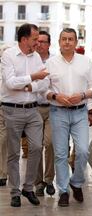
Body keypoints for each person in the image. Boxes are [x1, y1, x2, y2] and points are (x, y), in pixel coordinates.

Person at [45, 28, 92, 207]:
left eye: (70, 39)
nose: (67, 42)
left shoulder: (85, 62)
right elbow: (42, 88)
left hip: (80, 112)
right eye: (64, 39)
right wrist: (54, 96)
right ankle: (63, 191)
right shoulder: (50, 64)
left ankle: (76, 182)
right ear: (59, 42)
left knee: (83, 150)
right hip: (58, 112)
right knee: (60, 154)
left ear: (76, 42)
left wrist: (84, 95)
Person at [1, 23, 49, 207]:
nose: (38, 42)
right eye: (35, 39)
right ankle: (14, 191)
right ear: (24, 39)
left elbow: (45, 84)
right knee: (13, 153)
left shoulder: (36, 57)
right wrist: (33, 77)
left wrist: (32, 85)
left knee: (36, 147)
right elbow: (10, 82)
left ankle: (28, 187)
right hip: (11, 109)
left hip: (32, 109)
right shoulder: (9, 55)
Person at [33, 30, 56, 197]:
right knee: (36, 146)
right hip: (33, 108)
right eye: (37, 41)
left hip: (52, 108)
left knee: (50, 143)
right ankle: (38, 182)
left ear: (49, 44)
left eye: (43, 41)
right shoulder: (30, 60)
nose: (39, 44)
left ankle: (49, 180)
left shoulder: (54, 62)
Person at [0, 44, 11, 187]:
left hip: (12, 108)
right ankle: (2, 173)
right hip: (2, 107)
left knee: (6, 140)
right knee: (2, 139)